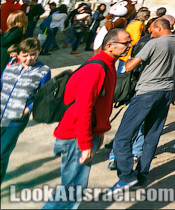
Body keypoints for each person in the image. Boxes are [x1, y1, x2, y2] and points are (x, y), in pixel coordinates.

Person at [43, 28, 127, 210]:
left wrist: (100, 131)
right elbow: (83, 108)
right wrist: (85, 143)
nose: (129, 46)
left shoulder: (109, 64)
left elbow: (99, 105)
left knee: (73, 189)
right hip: (76, 137)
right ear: (110, 45)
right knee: (71, 189)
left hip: (84, 134)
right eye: (126, 43)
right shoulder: (96, 68)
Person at [111, 17, 175, 189]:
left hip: (146, 93)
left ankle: (126, 175)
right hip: (166, 91)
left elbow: (130, 67)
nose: (150, 35)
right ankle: (142, 175)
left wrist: (128, 56)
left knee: (123, 136)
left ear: (159, 28)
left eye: (152, 31)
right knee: (152, 136)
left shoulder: (153, 44)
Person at [1, 38, 50, 182]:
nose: (29, 58)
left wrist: (28, 109)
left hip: (15, 120)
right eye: (25, 54)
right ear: (18, 55)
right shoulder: (10, 66)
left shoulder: (43, 71)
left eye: (33, 54)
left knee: (2, 153)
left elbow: (42, 95)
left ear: (38, 52)